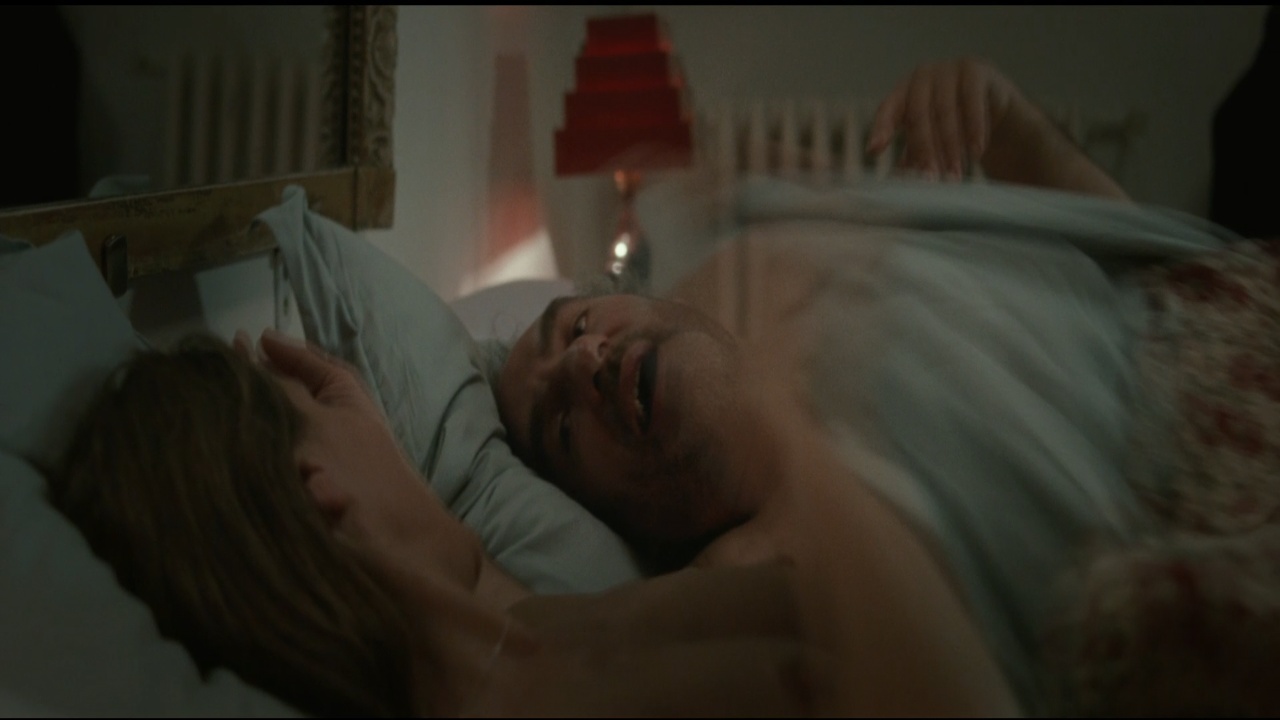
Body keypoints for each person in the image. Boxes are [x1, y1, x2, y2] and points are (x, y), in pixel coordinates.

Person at [494, 56, 1268, 713]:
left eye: (577, 323)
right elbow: (534, 646)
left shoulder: (788, 263)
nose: (584, 361)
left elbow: (1142, 280)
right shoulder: (760, 568)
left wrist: (1010, 126)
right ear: (614, 514)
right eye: (561, 428)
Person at [51, 330, 1018, 716]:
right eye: (324, 411)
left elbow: (491, 612)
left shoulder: (536, 639)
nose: (386, 433)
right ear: (317, 488)